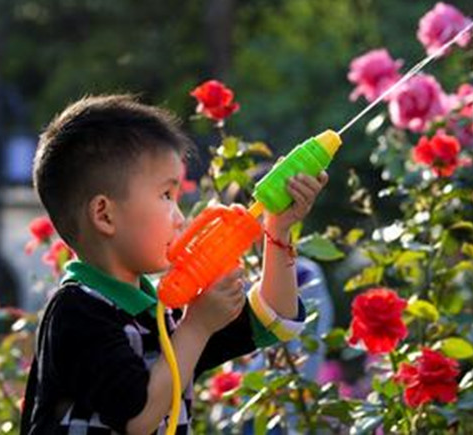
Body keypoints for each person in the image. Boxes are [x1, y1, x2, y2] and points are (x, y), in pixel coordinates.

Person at [19, 94, 329, 434]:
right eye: (166, 196)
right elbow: (137, 416)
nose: (180, 218)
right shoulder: (77, 312)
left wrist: (278, 230)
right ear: (104, 215)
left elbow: (275, 318)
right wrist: (196, 327)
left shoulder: (164, 312)